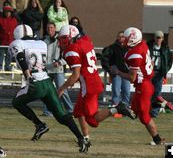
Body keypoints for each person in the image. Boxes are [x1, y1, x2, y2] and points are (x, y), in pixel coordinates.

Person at [8, 24, 90, 153]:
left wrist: (28, 76)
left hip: (34, 81)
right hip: (47, 82)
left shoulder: (17, 43)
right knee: (61, 115)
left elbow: (20, 58)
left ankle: (40, 124)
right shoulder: (41, 43)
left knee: (16, 102)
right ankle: (81, 138)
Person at [57, 25, 136, 149]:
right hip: (93, 81)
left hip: (88, 86)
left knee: (92, 120)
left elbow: (76, 74)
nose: (61, 41)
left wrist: (61, 88)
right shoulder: (85, 41)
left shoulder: (71, 50)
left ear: (71, 38)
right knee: (78, 112)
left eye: (64, 38)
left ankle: (117, 109)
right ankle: (85, 140)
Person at [111, 27, 165, 145]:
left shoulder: (134, 54)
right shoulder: (142, 45)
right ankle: (155, 103)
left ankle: (158, 140)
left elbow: (132, 78)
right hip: (144, 84)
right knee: (133, 113)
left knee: (144, 117)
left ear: (132, 39)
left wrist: (118, 72)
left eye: (126, 37)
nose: (124, 40)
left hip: (143, 87)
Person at [42, 22, 73, 116]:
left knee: (62, 89)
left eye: (51, 27)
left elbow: (67, 54)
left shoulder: (61, 40)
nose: (50, 29)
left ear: (55, 28)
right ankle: (48, 111)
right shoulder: (44, 40)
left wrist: (60, 62)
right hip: (47, 69)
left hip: (58, 69)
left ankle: (70, 110)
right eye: (48, 27)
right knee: (47, 91)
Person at [147, 31, 173, 117]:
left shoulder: (165, 48)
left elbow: (169, 61)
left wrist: (165, 70)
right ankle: (145, 111)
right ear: (154, 38)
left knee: (157, 94)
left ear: (162, 38)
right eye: (157, 37)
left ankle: (154, 113)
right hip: (149, 72)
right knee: (147, 92)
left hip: (159, 73)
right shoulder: (148, 46)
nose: (158, 39)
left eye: (160, 37)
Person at [101, 31, 130, 108]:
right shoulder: (112, 47)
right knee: (116, 90)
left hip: (126, 72)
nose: (121, 38)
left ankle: (125, 106)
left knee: (126, 91)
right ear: (117, 38)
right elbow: (104, 58)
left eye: (123, 37)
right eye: (119, 37)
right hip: (116, 73)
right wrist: (109, 69)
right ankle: (115, 105)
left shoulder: (129, 47)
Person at [0, 4, 18, 71]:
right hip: (2, 42)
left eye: (9, 11)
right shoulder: (0, 20)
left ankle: (8, 69)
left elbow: (16, 31)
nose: (7, 13)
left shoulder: (14, 20)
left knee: (9, 57)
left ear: (11, 12)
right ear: (4, 12)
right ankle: (0, 69)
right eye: (6, 11)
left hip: (10, 42)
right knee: (1, 56)